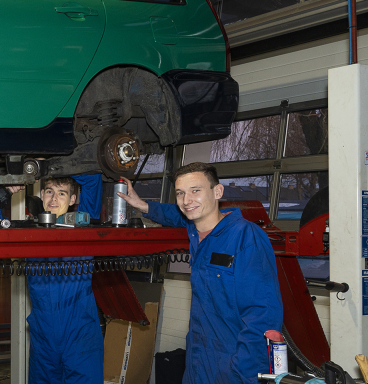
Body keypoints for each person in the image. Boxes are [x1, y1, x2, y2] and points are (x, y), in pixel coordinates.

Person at [117, 162, 283, 384]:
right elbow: (175, 214)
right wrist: (143, 205)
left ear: (218, 192)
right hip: (198, 361)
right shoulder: (195, 230)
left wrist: (245, 374)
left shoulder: (246, 238)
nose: (187, 200)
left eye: (196, 190)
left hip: (235, 367)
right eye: (180, 193)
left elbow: (262, 316)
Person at [0, 176, 104, 384]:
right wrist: (7, 190)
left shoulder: (83, 226)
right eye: (49, 191)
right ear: (42, 195)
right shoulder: (30, 234)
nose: (54, 198)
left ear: (73, 199)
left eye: (61, 193)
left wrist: (47, 165)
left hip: (79, 335)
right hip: (43, 336)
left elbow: (92, 180)